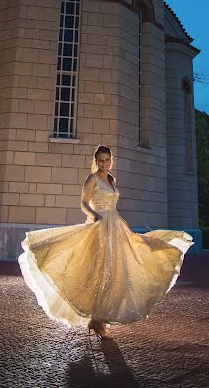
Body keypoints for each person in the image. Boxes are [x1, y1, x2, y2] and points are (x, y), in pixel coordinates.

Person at [18, 145, 194, 340]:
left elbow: (113, 206)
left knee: (116, 271)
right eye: (101, 160)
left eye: (107, 160)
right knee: (98, 271)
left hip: (115, 227)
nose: (104, 164)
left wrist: (119, 222)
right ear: (96, 161)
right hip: (100, 226)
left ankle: (99, 319)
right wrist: (94, 215)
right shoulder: (92, 178)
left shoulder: (111, 180)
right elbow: (83, 203)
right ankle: (98, 320)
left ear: (111, 160)